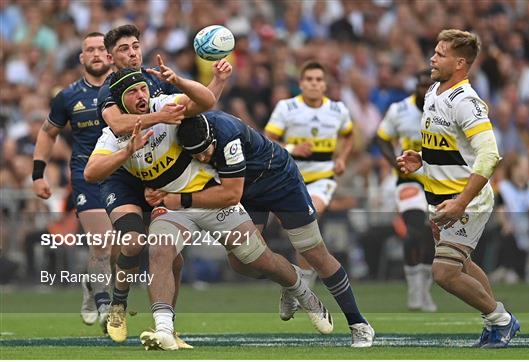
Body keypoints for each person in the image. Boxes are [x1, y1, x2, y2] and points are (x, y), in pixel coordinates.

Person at [85, 68, 333, 350]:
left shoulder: (164, 105)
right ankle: (164, 329)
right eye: (132, 92)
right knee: (159, 249)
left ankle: (301, 290)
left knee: (257, 258)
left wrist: (182, 81)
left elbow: (204, 102)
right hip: (174, 205)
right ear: (120, 100)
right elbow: (92, 173)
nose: (141, 95)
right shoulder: (112, 136)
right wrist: (128, 151)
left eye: (143, 88)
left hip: (208, 197)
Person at [152, 110, 374, 348]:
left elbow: (230, 194)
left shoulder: (227, 136)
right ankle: (291, 278)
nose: (203, 158)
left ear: (213, 139)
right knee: (240, 261)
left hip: (278, 180)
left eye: (205, 151)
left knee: (313, 251)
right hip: (243, 188)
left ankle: (359, 325)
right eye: (195, 154)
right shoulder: (189, 132)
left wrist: (182, 200)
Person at [96, 24, 231, 344]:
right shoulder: (109, 89)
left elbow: (196, 106)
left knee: (171, 256)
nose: (132, 52)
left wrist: (218, 81)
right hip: (125, 172)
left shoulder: (156, 78)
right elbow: (117, 125)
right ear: (112, 57)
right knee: (132, 241)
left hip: (159, 175)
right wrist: (159, 118)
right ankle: (118, 302)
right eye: (124, 49)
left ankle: (166, 325)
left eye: (135, 46)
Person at [397, 29, 520, 348]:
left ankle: (502, 320)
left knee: (444, 272)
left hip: (466, 200)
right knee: (461, 263)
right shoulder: (434, 91)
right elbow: (456, 148)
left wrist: (462, 202)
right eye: (434, 52)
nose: (432, 58)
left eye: (440, 54)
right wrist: (421, 158)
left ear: (460, 62)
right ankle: (496, 324)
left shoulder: (466, 102)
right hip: (440, 200)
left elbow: (489, 154)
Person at [32, 32, 114, 332]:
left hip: (121, 176)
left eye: (101, 49)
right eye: (89, 49)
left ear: (110, 55)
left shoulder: (123, 89)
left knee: (117, 248)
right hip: (85, 175)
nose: (95, 54)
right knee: (102, 242)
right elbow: (47, 133)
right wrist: (37, 174)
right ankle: (106, 305)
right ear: (81, 57)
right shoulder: (68, 96)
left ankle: (91, 285)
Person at [264, 61, 354, 286]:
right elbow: (267, 139)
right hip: (291, 179)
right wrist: (293, 149)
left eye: (319, 80)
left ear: (325, 85)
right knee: (302, 231)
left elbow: (349, 135)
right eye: (309, 79)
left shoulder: (337, 110)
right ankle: (303, 279)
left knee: (308, 217)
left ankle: (303, 282)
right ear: (301, 84)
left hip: (322, 179)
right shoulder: (287, 108)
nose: (314, 84)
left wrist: (341, 158)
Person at [376, 70, 437, 312]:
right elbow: (381, 138)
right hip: (409, 180)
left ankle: (425, 287)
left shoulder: (448, 109)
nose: (424, 90)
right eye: (421, 85)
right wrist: (395, 165)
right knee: (414, 229)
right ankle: (414, 286)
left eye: (429, 86)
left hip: (438, 181)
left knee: (434, 234)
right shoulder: (399, 110)